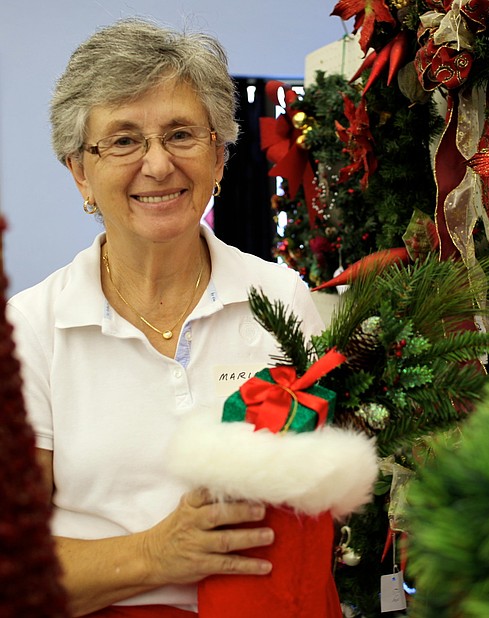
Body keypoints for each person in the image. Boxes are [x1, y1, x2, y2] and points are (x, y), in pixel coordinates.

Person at [7, 18, 325, 617]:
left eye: (181, 134)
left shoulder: (281, 298)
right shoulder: (32, 328)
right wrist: (158, 554)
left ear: (219, 155)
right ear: (80, 172)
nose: (158, 166)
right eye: (123, 140)